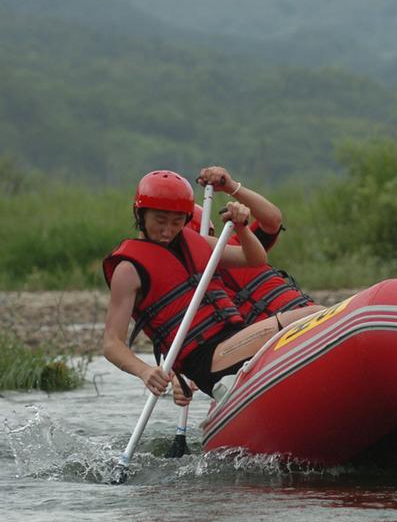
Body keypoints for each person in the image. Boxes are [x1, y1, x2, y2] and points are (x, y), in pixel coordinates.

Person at [102, 170, 319, 408]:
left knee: (312, 315)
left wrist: (241, 227)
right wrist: (143, 371)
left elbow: (255, 258)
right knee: (311, 315)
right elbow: (112, 343)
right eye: (160, 221)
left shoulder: (195, 243)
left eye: (176, 222)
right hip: (209, 359)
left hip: (235, 340)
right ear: (140, 214)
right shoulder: (128, 269)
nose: (167, 231)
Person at [190, 166, 319, 324]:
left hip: (303, 314)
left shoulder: (239, 246)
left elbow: (273, 221)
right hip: (270, 337)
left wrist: (231, 186)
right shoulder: (185, 285)